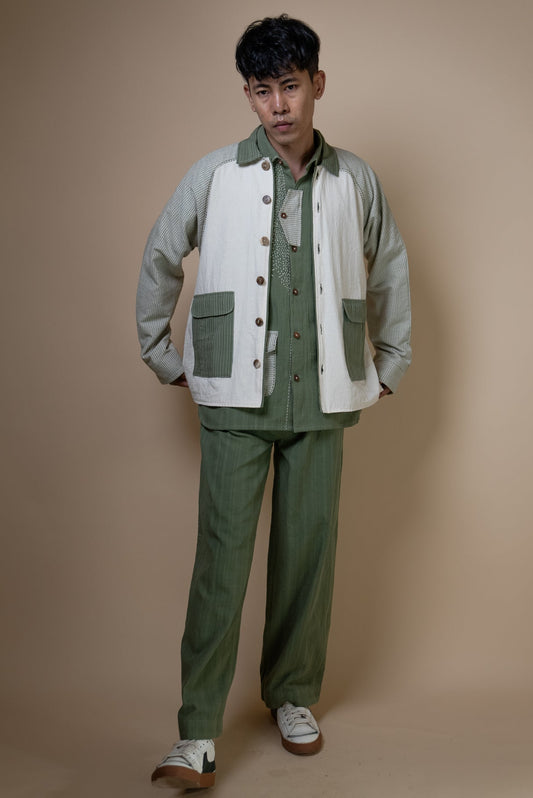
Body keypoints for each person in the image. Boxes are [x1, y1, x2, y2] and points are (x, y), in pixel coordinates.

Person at [136, 14, 411, 790]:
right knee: (220, 563)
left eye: (290, 86)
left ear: (316, 84)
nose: (278, 105)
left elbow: (388, 265)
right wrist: (160, 352)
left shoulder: (354, 179)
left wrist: (391, 359)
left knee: (307, 558)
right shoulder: (215, 175)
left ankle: (291, 694)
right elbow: (161, 254)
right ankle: (195, 732)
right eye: (262, 91)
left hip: (321, 394)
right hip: (233, 397)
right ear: (249, 96)